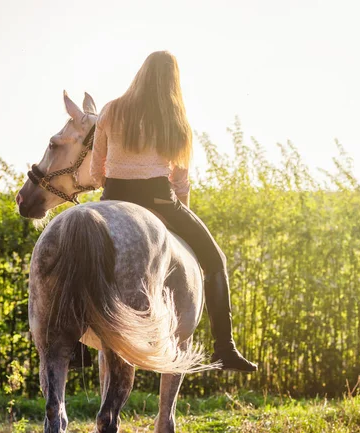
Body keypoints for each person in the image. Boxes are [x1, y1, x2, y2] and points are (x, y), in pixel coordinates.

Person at [81, 50, 256, 372]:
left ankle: (74, 337)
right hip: (159, 202)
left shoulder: (110, 110)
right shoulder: (175, 119)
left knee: (79, 255)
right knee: (216, 261)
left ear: (140, 73)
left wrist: (113, 185)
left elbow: (96, 171)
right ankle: (224, 348)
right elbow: (180, 179)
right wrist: (182, 217)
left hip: (112, 199)